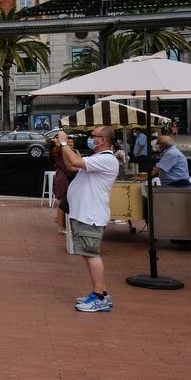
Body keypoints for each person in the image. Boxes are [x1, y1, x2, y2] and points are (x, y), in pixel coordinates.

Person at [58, 126, 119, 313]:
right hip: (84, 213)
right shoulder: (96, 159)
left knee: (92, 254)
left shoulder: (107, 159)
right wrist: (64, 148)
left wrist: (62, 142)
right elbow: (71, 165)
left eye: (94, 136)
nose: (91, 139)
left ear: (104, 140)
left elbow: (75, 161)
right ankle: (101, 291)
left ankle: (99, 296)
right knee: (88, 253)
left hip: (90, 214)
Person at [49, 138, 76, 235]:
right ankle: (61, 227)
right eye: (56, 141)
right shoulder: (57, 150)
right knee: (62, 203)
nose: (59, 141)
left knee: (64, 202)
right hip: (62, 177)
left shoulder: (63, 150)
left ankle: (63, 224)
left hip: (65, 176)